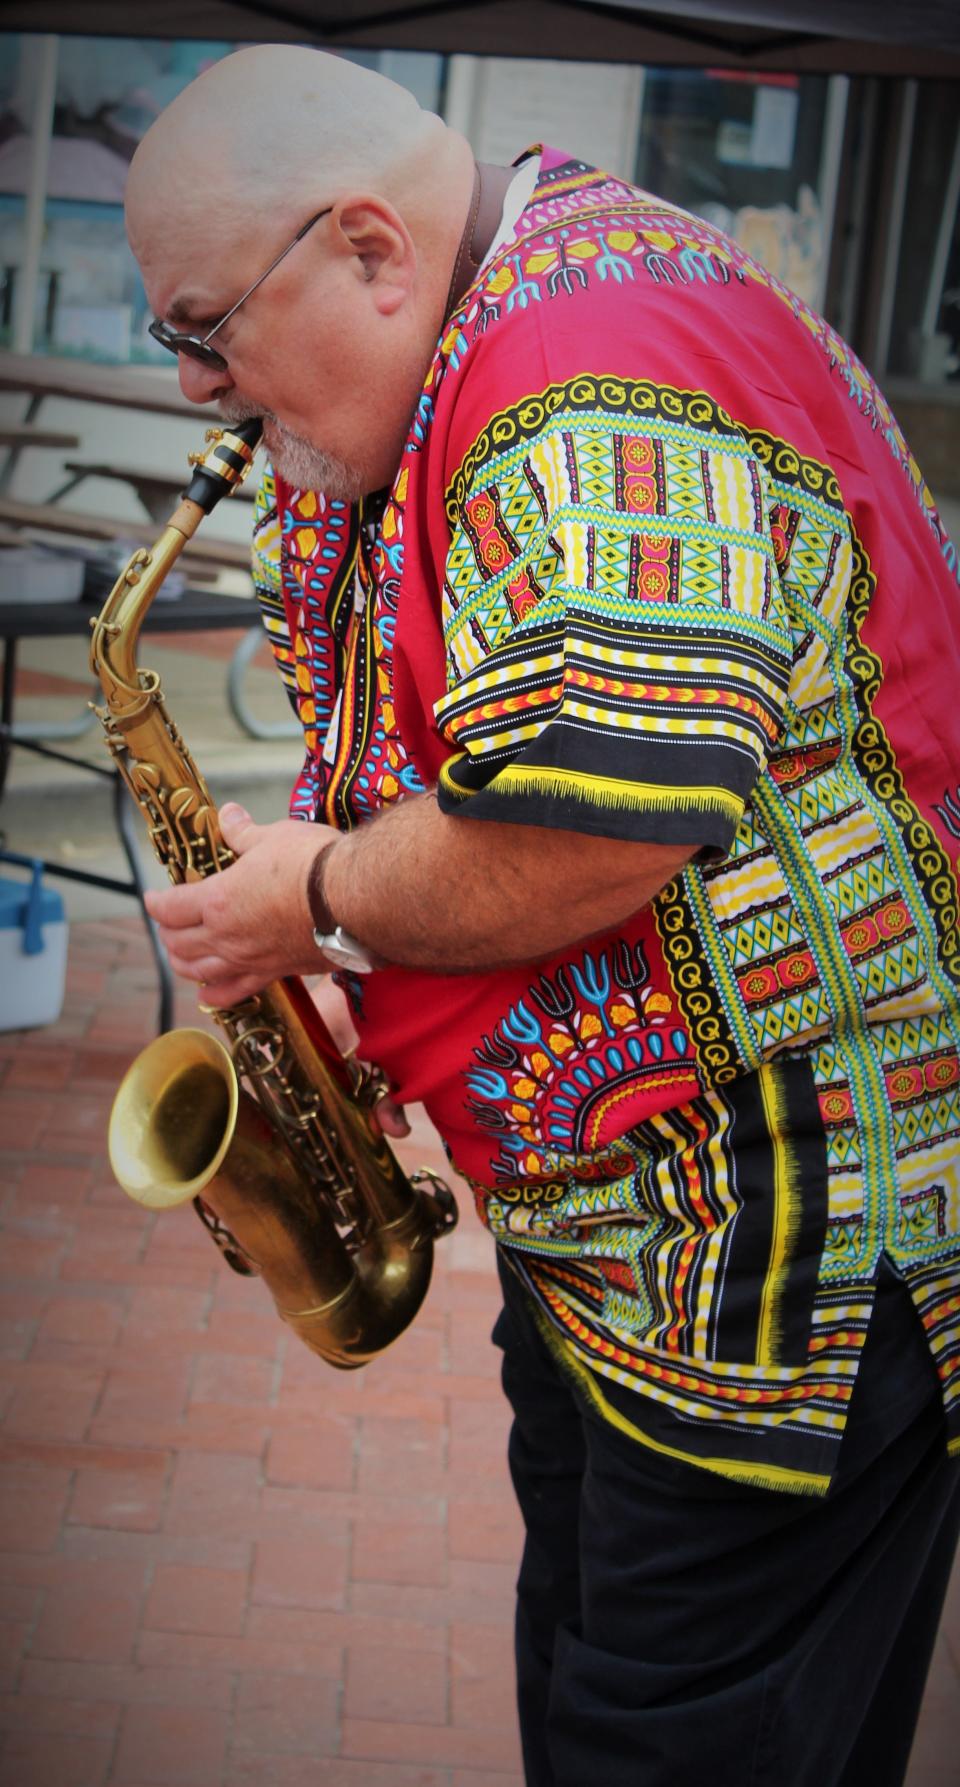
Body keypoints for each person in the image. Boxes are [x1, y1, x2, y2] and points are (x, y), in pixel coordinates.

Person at [126, 44, 960, 1786]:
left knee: (670, 1744)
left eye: (205, 328)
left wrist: (321, 902)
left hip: (778, 1259)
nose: (205, 387)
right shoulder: (471, 345)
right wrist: (340, 919)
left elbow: (596, 829)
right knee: (600, 1693)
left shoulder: (586, 373)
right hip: (641, 1236)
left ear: (367, 246)